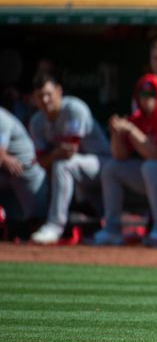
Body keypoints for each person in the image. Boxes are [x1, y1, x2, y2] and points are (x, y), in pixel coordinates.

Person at [92, 75, 157, 247]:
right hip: (156, 177)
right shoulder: (140, 118)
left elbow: (154, 154)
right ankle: (112, 229)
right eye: (143, 95)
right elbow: (120, 156)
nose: (147, 99)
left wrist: (132, 130)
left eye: (152, 95)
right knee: (111, 168)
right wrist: (116, 134)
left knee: (151, 167)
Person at [28, 72, 111, 245]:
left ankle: (54, 226)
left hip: (101, 165)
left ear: (59, 91)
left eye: (48, 94)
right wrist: (54, 154)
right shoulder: (36, 121)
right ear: (34, 99)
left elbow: (69, 151)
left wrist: (52, 155)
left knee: (62, 165)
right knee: (59, 166)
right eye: (40, 96)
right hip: (78, 176)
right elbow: (42, 163)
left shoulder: (74, 108)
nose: (45, 100)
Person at [0, 107, 49, 236]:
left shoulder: (1, 118)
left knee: (38, 220)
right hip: (6, 174)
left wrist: (3, 158)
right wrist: (4, 158)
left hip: (27, 172)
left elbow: (0, 155)